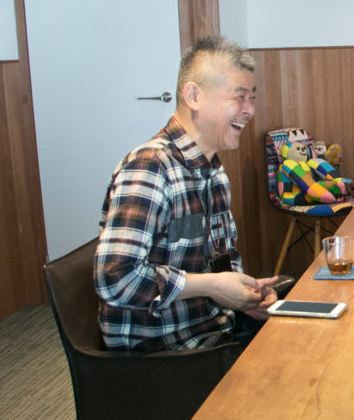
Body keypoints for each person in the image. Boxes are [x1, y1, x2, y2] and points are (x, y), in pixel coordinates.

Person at [94, 36, 278, 351]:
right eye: (239, 97)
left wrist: (245, 296)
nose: (249, 110)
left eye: (253, 98)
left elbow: (221, 262)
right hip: (164, 351)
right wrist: (212, 286)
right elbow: (115, 279)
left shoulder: (213, 170)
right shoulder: (150, 168)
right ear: (193, 96)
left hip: (214, 327)